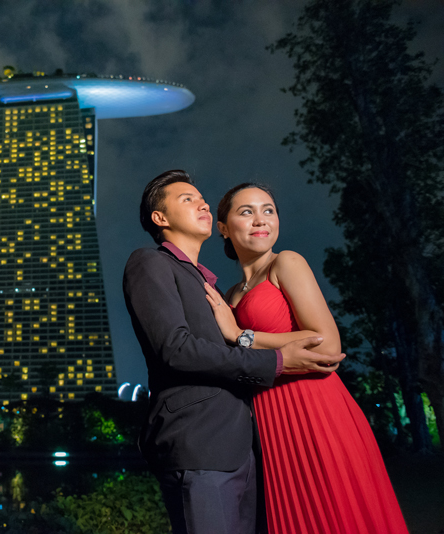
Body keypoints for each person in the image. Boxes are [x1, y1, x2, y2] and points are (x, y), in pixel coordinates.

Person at [123, 170, 344, 534]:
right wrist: (277, 361)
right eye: (187, 199)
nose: (203, 203)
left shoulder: (213, 286)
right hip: (199, 444)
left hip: (247, 447)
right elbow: (176, 349)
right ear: (160, 218)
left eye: (202, 198)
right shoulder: (150, 262)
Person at [204, 182, 408, 534]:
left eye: (268, 210)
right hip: (268, 422)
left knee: (338, 516)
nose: (260, 220)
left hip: (317, 411)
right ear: (223, 228)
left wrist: (241, 336)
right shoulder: (231, 294)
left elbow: (328, 347)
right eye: (246, 212)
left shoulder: (287, 263)